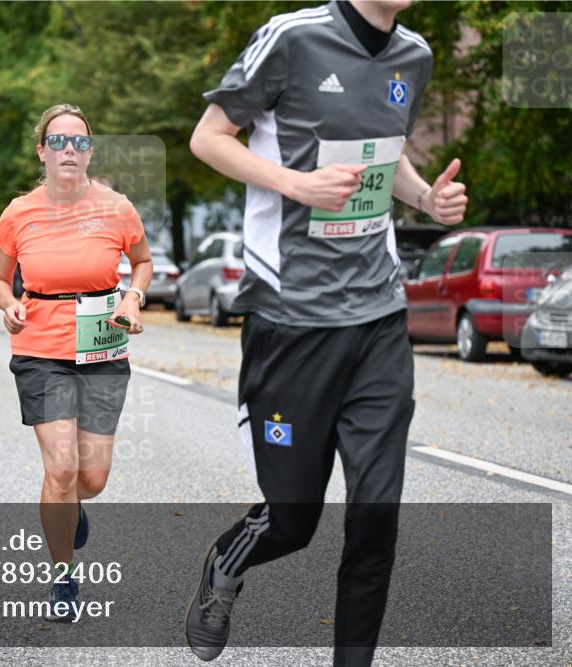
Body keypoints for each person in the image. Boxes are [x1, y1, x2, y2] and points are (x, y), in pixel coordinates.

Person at [183, 2, 468, 665]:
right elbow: (209, 136)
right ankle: (227, 561)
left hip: (376, 317)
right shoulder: (292, 37)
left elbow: (383, 155)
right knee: (292, 519)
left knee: (375, 517)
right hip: (292, 317)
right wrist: (295, 184)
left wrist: (425, 198)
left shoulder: (413, 57)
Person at [0, 103, 153, 621]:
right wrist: (9, 303)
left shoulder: (117, 207)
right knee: (60, 467)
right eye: (58, 142)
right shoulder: (20, 212)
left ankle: (73, 505)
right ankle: (62, 576)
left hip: (102, 349)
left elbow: (143, 263)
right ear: (42, 151)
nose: (69, 151)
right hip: (40, 351)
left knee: (93, 476)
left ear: (90, 152)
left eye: (79, 143)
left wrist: (133, 297)